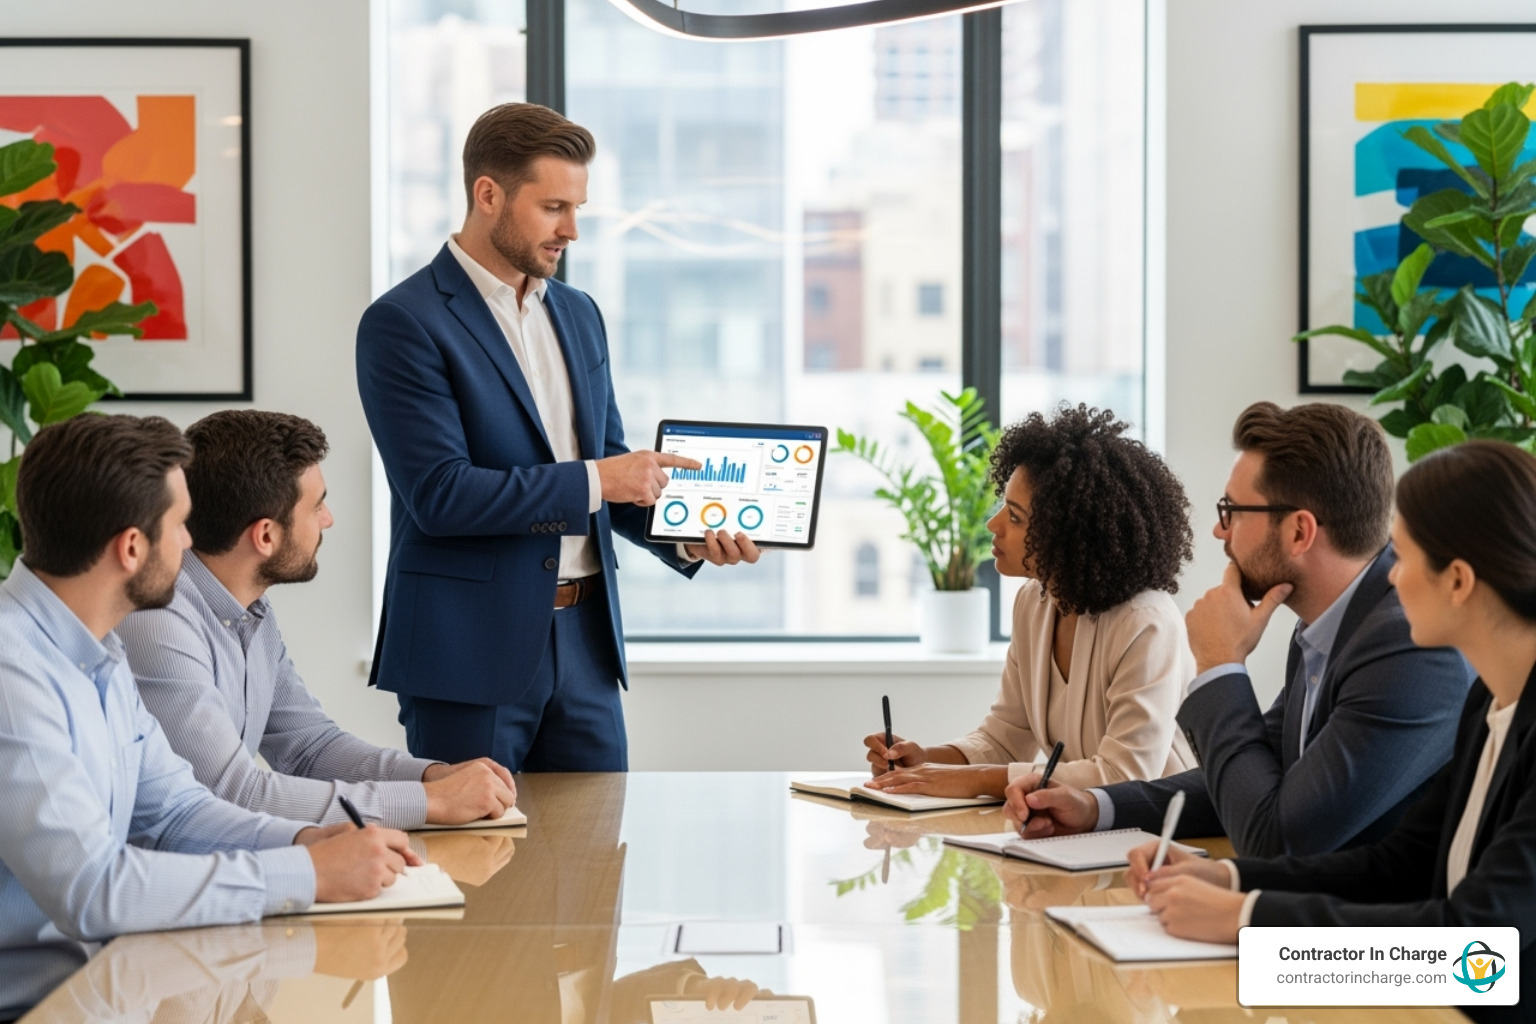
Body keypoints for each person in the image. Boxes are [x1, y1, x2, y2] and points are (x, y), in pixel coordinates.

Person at [356, 102, 759, 773]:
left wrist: (685, 533)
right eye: (553, 208)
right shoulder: (404, 322)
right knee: (480, 871)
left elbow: (606, 466)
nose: (572, 229)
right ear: (488, 194)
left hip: (587, 648)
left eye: (577, 208)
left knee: (595, 867)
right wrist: (603, 480)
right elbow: (441, 494)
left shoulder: (577, 313)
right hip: (468, 651)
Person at [1131, 439, 1536, 1021]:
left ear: (1459, 581)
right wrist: (1228, 877)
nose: (1391, 579)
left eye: (1403, 555)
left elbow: (1473, 951)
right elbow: (1399, 866)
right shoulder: (1488, 702)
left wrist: (1248, 922)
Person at [0, 415, 419, 952]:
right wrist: (304, 872)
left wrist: (307, 840)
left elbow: (178, 810)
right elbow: (92, 890)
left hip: (111, 981)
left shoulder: (99, 652)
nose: (192, 541)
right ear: (132, 548)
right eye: (179, 525)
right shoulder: (15, 674)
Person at [1006, 402, 1473, 857]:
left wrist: (1220, 665)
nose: (1218, 531)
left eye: (1232, 510)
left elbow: (1276, 837)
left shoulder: (1410, 648)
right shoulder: (1328, 627)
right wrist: (1094, 807)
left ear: (1299, 532)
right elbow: (1249, 780)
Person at [118, 410, 516, 830]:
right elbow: (232, 793)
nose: (328, 519)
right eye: (318, 504)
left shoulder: (252, 608)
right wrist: (427, 801)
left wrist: (430, 776)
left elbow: (309, 746)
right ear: (266, 535)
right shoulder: (157, 617)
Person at [862, 405, 1197, 798]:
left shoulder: (1146, 622)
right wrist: (927, 760)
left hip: (1165, 834)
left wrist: (974, 780)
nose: (994, 524)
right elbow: (1007, 737)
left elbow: (1125, 773)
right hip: (1084, 830)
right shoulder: (1035, 603)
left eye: (1016, 517)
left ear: (1069, 533)